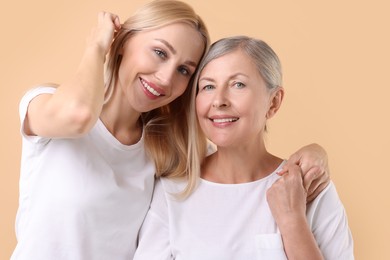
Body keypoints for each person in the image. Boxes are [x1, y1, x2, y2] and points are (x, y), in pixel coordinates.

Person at [12, 1, 330, 259]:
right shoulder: (45, 105)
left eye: (183, 70)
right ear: (122, 42)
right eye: (160, 52)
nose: (165, 79)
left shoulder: (167, 149)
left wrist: (314, 154)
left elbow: (236, 164)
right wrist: (97, 44)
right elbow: (79, 115)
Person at [133, 36, 354, 259]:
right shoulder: (174, 191)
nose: (219, 101)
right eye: (208, 86)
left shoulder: (309, 186)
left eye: (238, 84)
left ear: (274, 102)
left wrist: (291, 219)